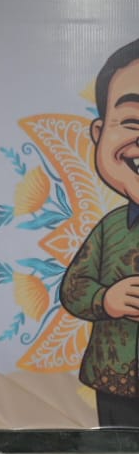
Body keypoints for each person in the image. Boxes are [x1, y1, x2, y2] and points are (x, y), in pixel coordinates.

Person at [60, 37, 139, 426]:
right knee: (116, 453)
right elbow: (73, 288)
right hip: (117, 379)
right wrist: (106, 299)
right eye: (131, 122)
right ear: (98, 133)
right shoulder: (110, 229)